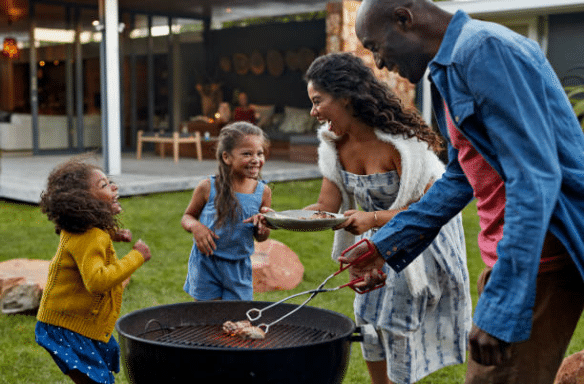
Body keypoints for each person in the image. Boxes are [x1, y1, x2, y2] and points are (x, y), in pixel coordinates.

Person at [348, 1, 584, 383]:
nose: (378, 63)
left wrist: (503, 305)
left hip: (541, 261)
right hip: (508, 258)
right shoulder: (447, 70)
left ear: (404, 19)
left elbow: (534, 178)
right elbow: (462, 175)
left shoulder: (484, 51)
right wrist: (385, 245)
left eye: (375, 46)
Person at [303, 52, 472, 384]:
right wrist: (275, 217)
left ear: (345, 96)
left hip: (421, 241)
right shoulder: (333, 146)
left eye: (318, 101)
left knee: (395, 320)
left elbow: (429, 212)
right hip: (376, 240)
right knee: (366, 318)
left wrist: (372, 219)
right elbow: (326, 205)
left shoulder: (404, 146)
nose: (313, 112)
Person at [35, 158, 152, 384]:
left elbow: (83, 243)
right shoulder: (91, 237)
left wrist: (112, 234)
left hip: (70, 323)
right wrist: (136, 256)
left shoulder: (80, 230)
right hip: (68, 328)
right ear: (84, 202)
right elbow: (97, 280)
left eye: (110, 182)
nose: (114, 187)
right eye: (104, 185)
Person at [181, 121, 272, 301]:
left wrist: (263, 228)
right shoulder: (208, 187)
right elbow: (188, 216)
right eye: (247, 153)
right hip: (207, 264)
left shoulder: (262, 192)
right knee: (207, 319)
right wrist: (196, 227)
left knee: (236, 320)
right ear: (227, 157)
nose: (256, 159)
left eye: (259, 153)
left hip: (239, 266)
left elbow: (262, 236)